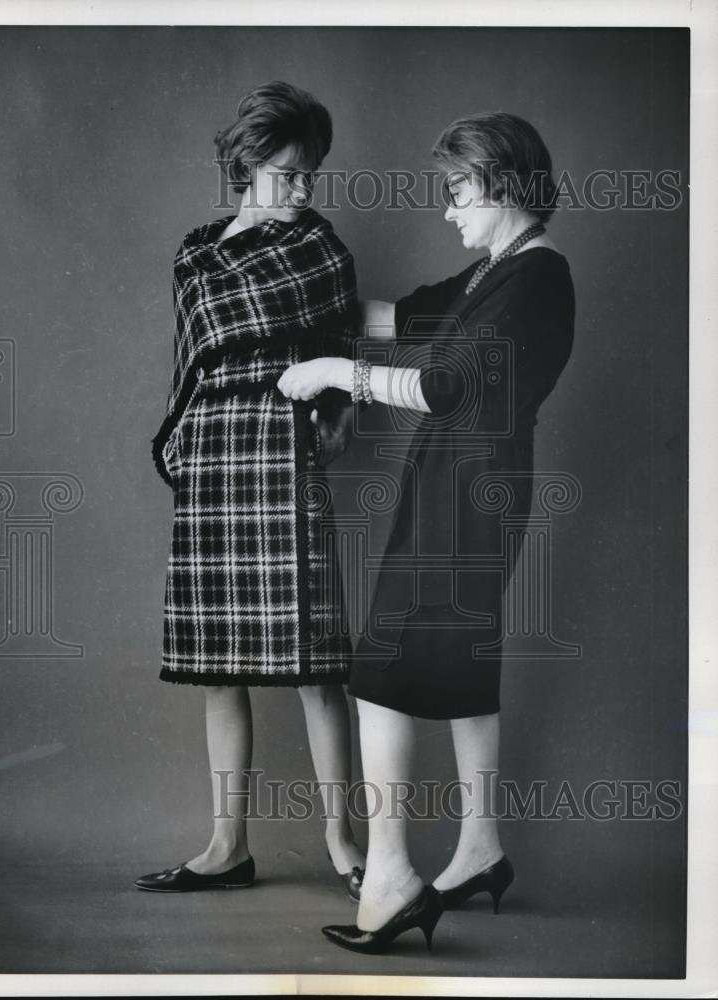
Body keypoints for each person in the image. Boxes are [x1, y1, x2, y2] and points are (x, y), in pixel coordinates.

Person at [277, 111, 575, 953]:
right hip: (463, 489)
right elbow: (401, 318)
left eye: (456, 192)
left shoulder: (537, 280)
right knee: (459, 664)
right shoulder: (496, 273)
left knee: (380, 672)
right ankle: (479, 846)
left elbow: (445, 387)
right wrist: (302, 299)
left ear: (503, 182)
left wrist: (337, 373)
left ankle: (391, 877)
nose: (446, 211)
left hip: (465, 497)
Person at [138, 81, 364, 899]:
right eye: (287, 173)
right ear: (245, 166)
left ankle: (345, 843)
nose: (302, 190)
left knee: (316, 663)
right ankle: (226, 845)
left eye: (310, 175)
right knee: (216, 665)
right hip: (211, 458)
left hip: (280, 447)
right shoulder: (197, 251)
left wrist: (331, 421)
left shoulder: (320, 248)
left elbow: (338, 349)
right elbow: (189, 361)